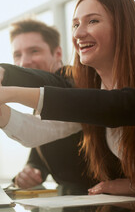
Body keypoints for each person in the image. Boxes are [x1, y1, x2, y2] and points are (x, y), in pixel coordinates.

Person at [0, 0, 135, 196]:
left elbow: (115, 105)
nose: (78, 33)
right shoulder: (93, 87)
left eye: (93, 21)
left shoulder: (78, 87)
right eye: (76, 24)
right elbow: (37, 130)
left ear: (124, 26)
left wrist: (4, 85)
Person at [8, 19, 96, 194]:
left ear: (57, 53)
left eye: (34, 51)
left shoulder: (75, 85)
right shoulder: (40, 97)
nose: (24, 62)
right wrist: (30, 171)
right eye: (17, 55)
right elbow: (39, 154)